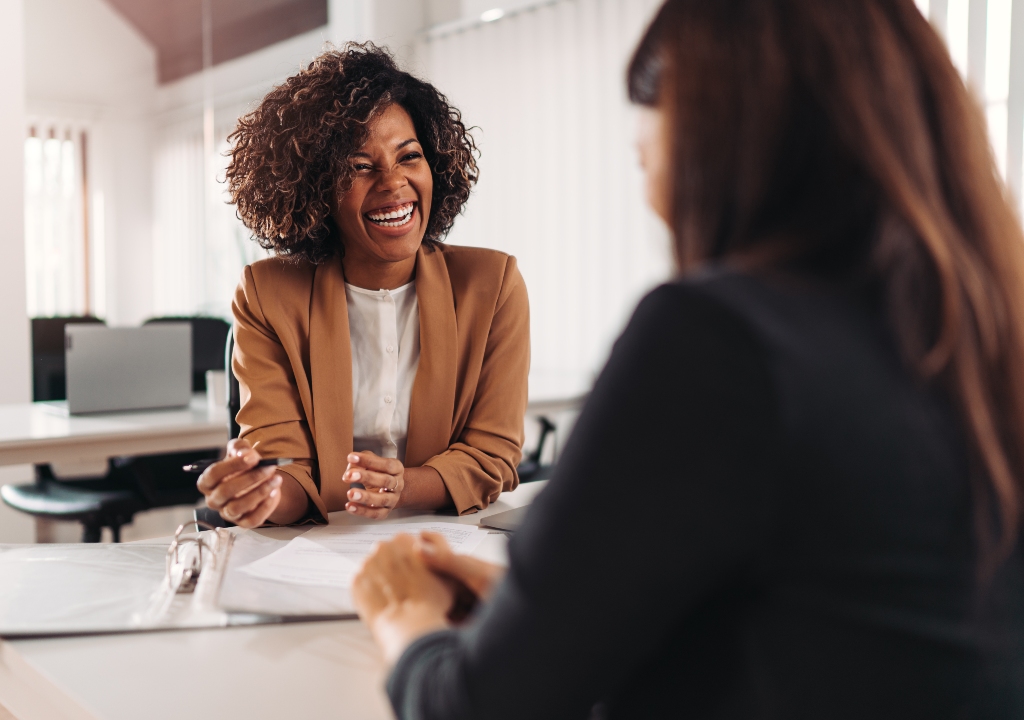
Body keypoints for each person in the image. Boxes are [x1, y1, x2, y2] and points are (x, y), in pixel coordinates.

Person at [351, 0, 1024, 717]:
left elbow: (480, 707)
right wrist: (551, 620)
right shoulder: (980, 334)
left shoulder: (720, 341)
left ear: (721, 150)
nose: (653, 201)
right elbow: (838, 628)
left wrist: (404, 617)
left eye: (649, 164)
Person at [195, 44, 530, 527]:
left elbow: (491, 455)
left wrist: (402, 488)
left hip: (444, 537)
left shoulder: (492, 285)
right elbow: (287, 469)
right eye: (359, 166)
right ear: (316, 187)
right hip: (316, 547)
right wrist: (260, 493)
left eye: (408, 156)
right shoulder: (268, 294)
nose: (393, 183)